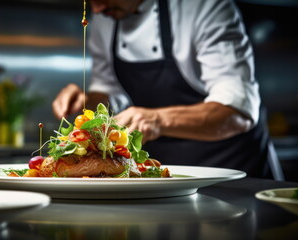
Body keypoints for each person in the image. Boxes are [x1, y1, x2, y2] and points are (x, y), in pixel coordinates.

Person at [52, 0, 271, 178]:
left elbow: (238, 112)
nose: (96, 8)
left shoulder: (204, 6)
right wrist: (87, 101)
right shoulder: (106, 15)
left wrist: (157, 120)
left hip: (231, 167)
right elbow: (111, 90)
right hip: (167, 173)